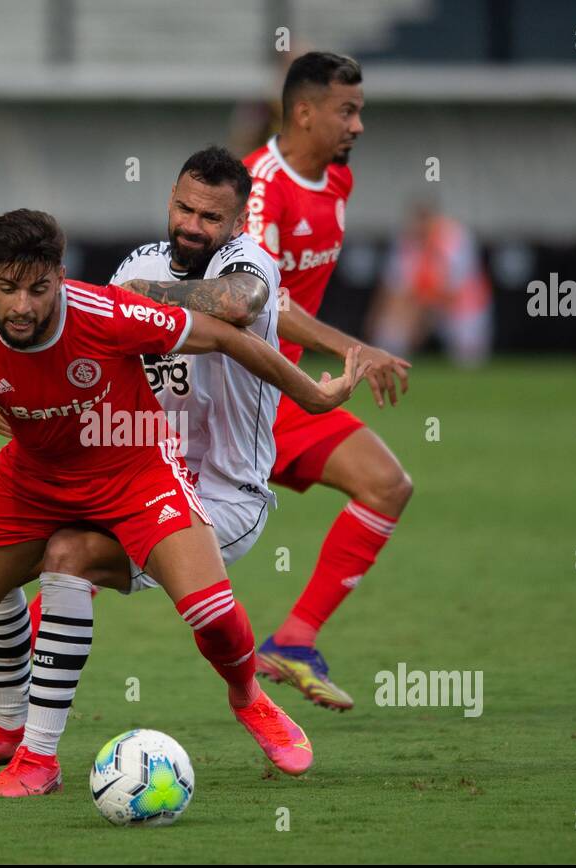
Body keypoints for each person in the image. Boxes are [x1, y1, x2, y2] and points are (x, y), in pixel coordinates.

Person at [0, 208, 372, 790]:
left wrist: (311, 396)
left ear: (60, 275)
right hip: (33, 479)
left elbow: (224, 335)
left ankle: (249, 697)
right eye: (7, 288)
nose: (24, 305)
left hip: (134, 471)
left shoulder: (106, 313)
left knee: (209, 612)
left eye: (38, 288)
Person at [0, 147, 288, 795]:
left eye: (211, 215)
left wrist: (129, 298)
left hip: (224, 492)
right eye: (183, 206)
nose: (192, 224)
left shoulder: (249, 261)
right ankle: (14, 739)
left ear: (238, 222)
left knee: (143, 588)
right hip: (121, 470)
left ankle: (248, 692)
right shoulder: (138, 263)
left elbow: (241, 306)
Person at [239, 51, 414, 710]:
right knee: (113, 544)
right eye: (347, 110)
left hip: (285, 388)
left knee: (387, 484)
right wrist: (354, 347)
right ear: (304, 112)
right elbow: (260, 300)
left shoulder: (336, 180)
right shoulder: (260, 187)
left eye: (361, 109)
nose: (359, 125)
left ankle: (293, 639)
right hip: (233, 388)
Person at [367, 199, 493, 367]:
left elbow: (453, 292)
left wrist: (423, 315)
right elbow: (393, 289)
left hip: (460, 309)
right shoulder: (405, 242)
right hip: (419, 305)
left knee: (469, 355)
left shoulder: (456, 239)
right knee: (388, 337)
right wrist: (379, 319)